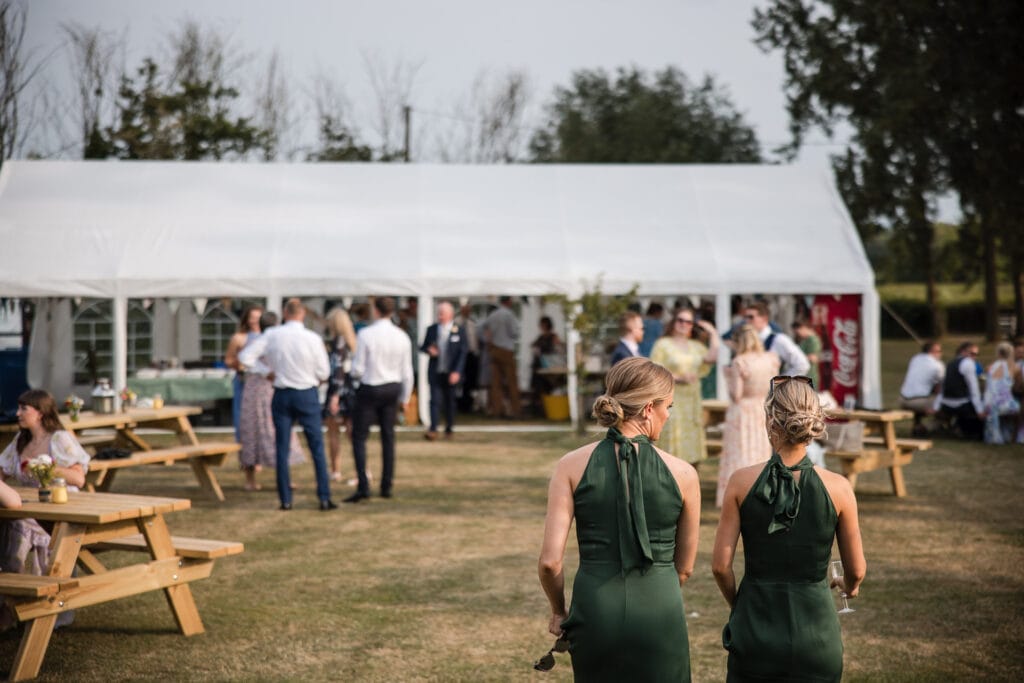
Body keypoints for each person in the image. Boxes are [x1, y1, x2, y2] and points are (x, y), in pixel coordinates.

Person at [538, 357, 700, 681]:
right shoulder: (684, 473)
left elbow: (550, 563)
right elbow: (685, 567)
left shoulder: (570, 465)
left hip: (595, 608)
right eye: (668, 406)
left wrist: (559, 610)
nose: (669, 414)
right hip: (660, 606)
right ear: (649, 409)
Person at [712, 376, 866, 682]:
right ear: (815, 420)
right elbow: (857, 569)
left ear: (770, 421)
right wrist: (850, 586)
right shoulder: (839, 487)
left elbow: (720, 566)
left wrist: (739, 605)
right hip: (816, 632)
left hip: (756, 625)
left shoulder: (741, 482)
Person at [0, 390, 89, 628]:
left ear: (40, 413)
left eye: (23, 409)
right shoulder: (21, 440)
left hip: (62, 507)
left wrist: (47, 467)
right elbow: (2, 472)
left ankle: (25, 606)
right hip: (30, 506)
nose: (17, 413)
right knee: (11, 523)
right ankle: (13, 602)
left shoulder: (59, 438)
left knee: (16, 527)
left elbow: (79, 479)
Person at [239, 299, 335, 511]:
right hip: (306, 393)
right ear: (302, 314)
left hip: (282, 393)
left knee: (281, 447)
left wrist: (267, 372)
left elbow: (245, 357)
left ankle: (285, 499)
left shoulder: (273, 335)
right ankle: (324, 497)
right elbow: (324, 373)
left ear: (285, 313)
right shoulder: (312, 338)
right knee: (316, 447)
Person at [347, 297, 414, 502]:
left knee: (359, 437)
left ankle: (363, 485)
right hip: (392, 388)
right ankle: (386, 484)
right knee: (388, 437)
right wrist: (405, 396)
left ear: (376, 311)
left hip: (370, 386)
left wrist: (354, 376)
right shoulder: (402, 336)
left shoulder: (366, 335)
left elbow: (358, 368)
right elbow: (407, 371)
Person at [237, 311, 307, 491]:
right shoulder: (264, 340)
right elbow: (244, 358)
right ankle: (262, 479)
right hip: (261, 389)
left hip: (269, 388)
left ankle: (278, 478)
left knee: (275, 432)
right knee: (257, 431)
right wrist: (265, 371)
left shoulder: (272, 340)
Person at [717, 324, 780, 508]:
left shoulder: (740, 362)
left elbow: (736, 394)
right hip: (762, 406)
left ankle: (739, 492)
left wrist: (728, 377)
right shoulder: (771, 359)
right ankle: (763, 490)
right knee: (760, 450)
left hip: (742, 410)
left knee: (741, 451)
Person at [650, 307, 720, 463]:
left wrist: (713, 333)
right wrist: (678, 377)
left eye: (688, 321)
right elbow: (655, 370)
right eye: (680, 320)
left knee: (691, 438)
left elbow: (712, 357)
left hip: (692, 400)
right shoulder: (663, 344)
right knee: (671, 436)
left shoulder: (696, 346)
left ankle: (689, 477)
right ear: (674, 322)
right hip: (672, 399)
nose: (684, 324)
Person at [419, 301, 468, 440]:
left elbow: (463, 352)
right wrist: (429, 350)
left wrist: (457, 371)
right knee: (434, 400)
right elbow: (423, 346)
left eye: (442, 313)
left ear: (450, 315)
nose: (440, 316)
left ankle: (449, 428)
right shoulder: (432, 329)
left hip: (451, 372)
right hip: (436, 371)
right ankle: (433, 429)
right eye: (438, 313)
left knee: (450, 401)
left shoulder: (459, 330)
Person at [324, 308, 358, 480]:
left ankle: (336, 470)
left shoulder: (338, 343)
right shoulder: (353, 342)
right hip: (351, 391)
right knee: (352, 434)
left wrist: (335, 395)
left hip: (338, 392)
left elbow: (338, 369)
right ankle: (361, 470)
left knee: (334, 433)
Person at [224, 305, 263, 441]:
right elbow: (228, 360)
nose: (255, 321)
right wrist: (238, 364)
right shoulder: (239, 338)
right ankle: (244, 454)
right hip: (243, 382)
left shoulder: (269, 336)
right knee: (242, 418)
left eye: (258, 318)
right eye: (252, 318)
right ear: (247, 320)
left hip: (263, 384)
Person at [934, 341, 986, 440]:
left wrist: (936, 406)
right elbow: (974, 390)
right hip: (961, 405)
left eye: (976, 354)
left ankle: (957, 428)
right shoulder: (968, 363)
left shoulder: (950, 363)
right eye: (972, 354)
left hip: (945, 404)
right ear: (963, 352)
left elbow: (943, 388)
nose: (974, 357)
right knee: (983, 402)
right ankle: (972, 433)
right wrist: (980, 411)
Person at [743, 301, 810, 377]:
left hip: (770, 387)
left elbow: (802, 365)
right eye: (745, 317)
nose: (747, 321)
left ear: (764, 319)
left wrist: (778, 383)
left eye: (751, 317)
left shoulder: (778, 340)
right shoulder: (746, 341)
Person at [481, 296, 521, 418]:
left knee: (496, 383)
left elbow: (483, 329)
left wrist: (490, 340)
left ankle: (497, 410)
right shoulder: (509, 315)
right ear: (508, 301)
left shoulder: (492, 315)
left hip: (494, 350)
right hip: (506, 350)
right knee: (511, 382)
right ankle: (516, 411)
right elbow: (515, 333)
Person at [899, 341, 945, 436]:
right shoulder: (938, 366)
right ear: (932, 351)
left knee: (925, 396)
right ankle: (926, 428)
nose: (941, 353)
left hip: (902, 399)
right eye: (939, 351)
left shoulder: (915, 359)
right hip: (918, 402)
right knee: (946, 403)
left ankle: (917, 424)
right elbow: (940, 387)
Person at [983, 342, 1022, 444]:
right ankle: (1016, 436)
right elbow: (1019, 387)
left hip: (988, 404)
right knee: (1018, 406)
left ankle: (999, 433)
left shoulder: (989, 367)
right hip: (1005, 405)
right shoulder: (1015, 368)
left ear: (998, 353)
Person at [529, 316, 563, 415]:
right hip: (538, 365)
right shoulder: (540, 337)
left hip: (548, 365)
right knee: (537, 388)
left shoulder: (553, 336)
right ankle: (538, 409)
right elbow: (533, 346)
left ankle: (545, 409)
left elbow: (558, 348)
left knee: (547, 386)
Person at [456, 304, 481, 413]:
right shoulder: (456, 322)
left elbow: (475, 339)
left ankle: (468, 404)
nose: (467, 312)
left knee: (470, 381)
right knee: (460, 380)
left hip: (471, 355)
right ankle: (459, 404)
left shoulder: (472, 323)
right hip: (459, 355)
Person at [791, 319, 823, 387]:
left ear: (803, 328)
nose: (797, 335)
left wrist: (797, 358)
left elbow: (814, 358)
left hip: (810, 375)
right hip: (804, 376)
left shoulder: (813, 340)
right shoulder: (805, 339)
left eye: (797, 332)